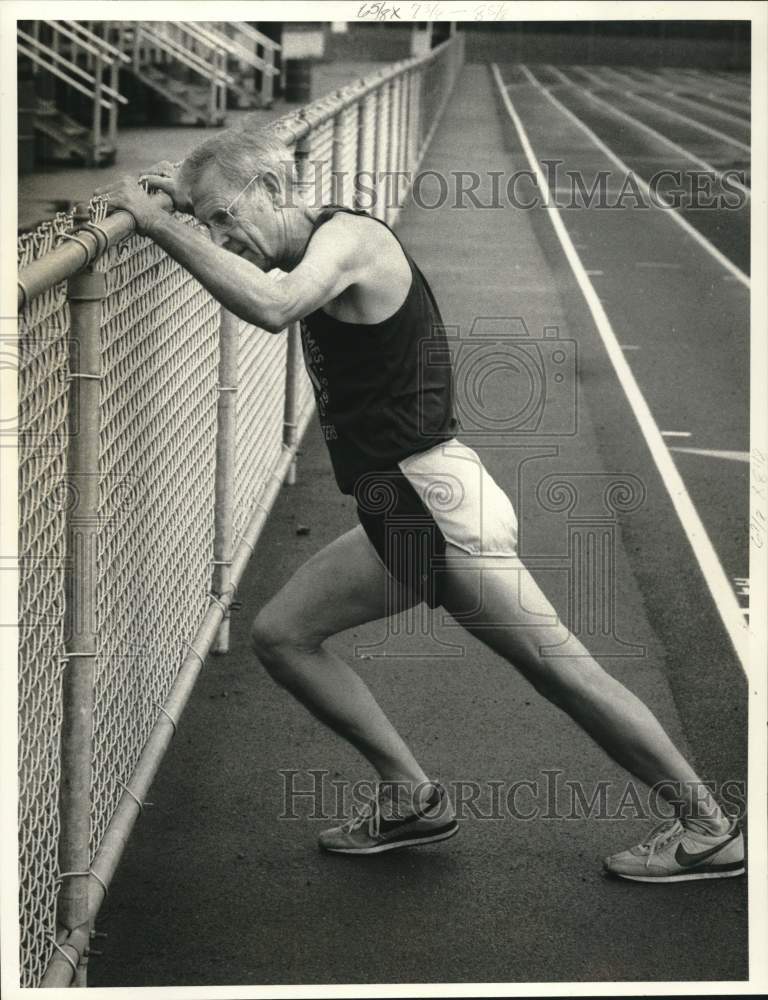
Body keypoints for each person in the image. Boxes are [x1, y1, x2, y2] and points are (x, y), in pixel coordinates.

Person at [97, 125, 744, 882]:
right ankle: (411, 796)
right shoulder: (307, 240)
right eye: (206, 223)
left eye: (222, 217)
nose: (220, 236)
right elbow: (251, 252)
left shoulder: (349, 243)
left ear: (272, 190)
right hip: (398, 509)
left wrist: (157, 223)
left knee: (562, 670)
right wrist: (180, 197)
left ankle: (707, 826)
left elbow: (273, 308)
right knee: (283, 635)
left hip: (433, 504)